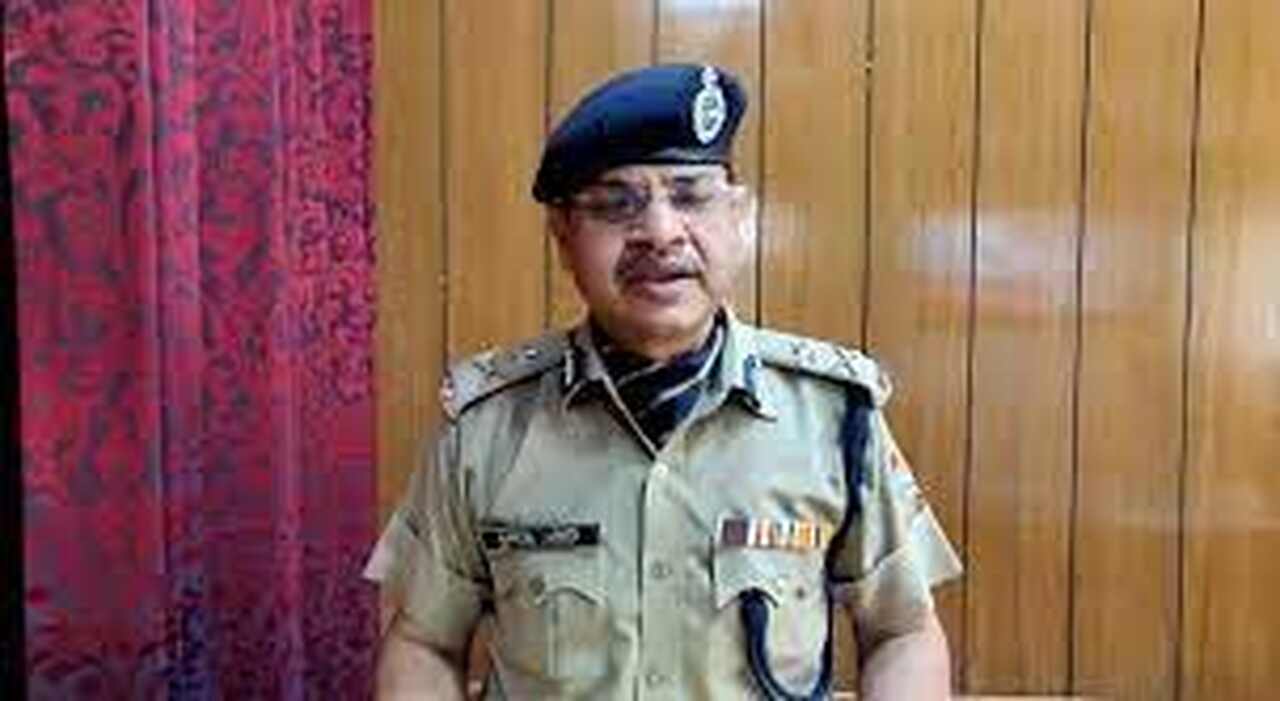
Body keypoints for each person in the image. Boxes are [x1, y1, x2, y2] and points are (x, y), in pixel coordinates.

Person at [366, 63, 963, 700]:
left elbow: (901, 630)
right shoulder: (487, 429)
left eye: (690, 195)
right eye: (615, 204)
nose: (659, 232)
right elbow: (424, 641)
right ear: (564, 238)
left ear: (738, 216)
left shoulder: (832, 417)